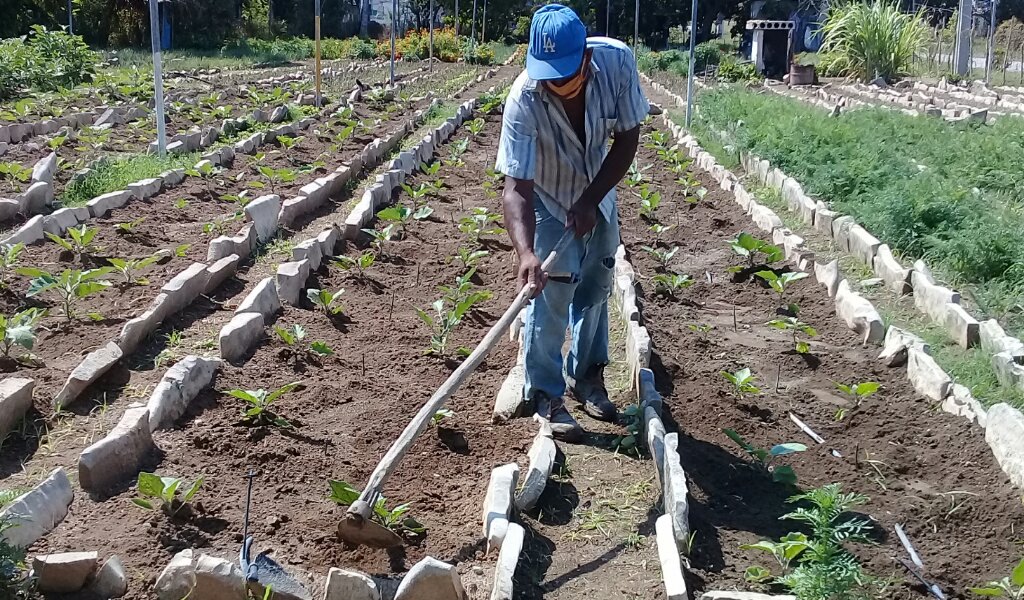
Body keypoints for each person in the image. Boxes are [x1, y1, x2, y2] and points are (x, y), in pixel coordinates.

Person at [496, 4, 649, 441]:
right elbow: (516, 187)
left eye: (565, 73)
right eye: (549, 75)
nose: (557, 83)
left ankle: (588, 377)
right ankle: (545, 390)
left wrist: (591, 200)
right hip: (546, 193)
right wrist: (526, 253)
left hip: (599, 188)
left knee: (597, 285)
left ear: (585, 58)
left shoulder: (616, 62)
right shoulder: (524, 97)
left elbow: (628, 138)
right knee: (551, 289)